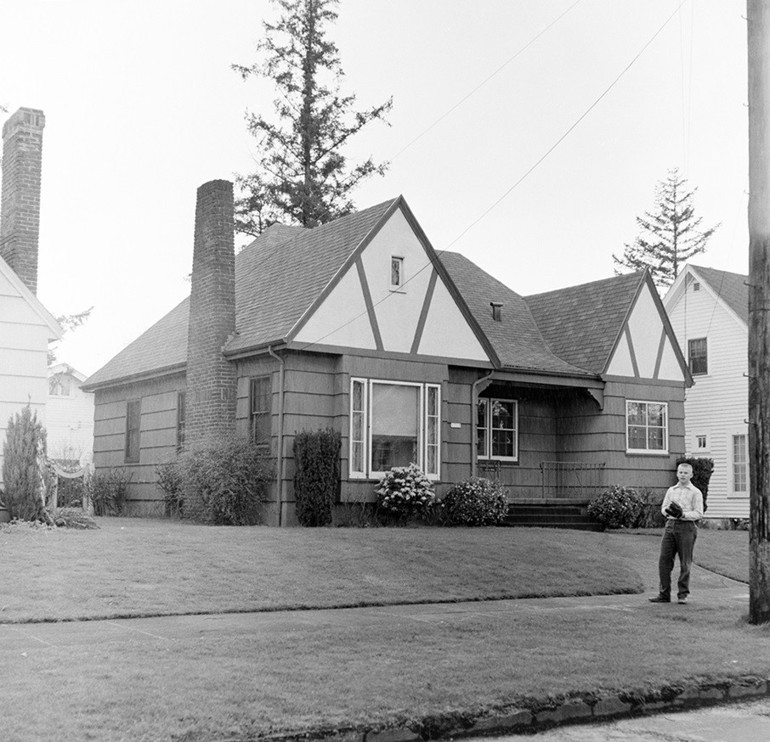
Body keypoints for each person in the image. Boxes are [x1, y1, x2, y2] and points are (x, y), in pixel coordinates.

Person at [649, 462, 704, 605]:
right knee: (664, 560)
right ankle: (664, 594)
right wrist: (668, 511)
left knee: (685, 562)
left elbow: (699, 513)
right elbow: (664, 508)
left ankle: (683, 594)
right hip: (670, 526)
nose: (683, 475)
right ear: (677, 473)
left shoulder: (695, 492)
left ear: (691, 475)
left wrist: (683, 514)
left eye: (686, 473)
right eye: (680, 472)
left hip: (687, 527)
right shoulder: (671, 490)